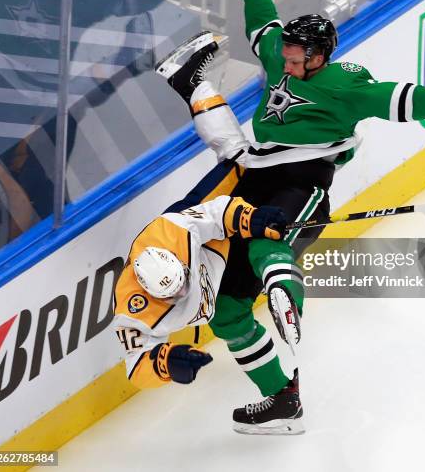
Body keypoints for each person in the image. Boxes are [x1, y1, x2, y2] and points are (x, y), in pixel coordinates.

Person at [157, 0, 425, 431]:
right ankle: (282, 400)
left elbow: (399, 100)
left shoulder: (344, 85)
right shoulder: (281, 55)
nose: (284, 63)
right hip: (253, 181)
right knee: (226, 312)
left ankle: (287, 295)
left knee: (271, 248)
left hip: (303, 182)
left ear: (320, 55)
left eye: (295, 57)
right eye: (285, 54)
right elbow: (262, 27)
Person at [114, 55, 304, 435]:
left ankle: (190, 82)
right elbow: (137, 367)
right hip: (215, 260)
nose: (183, 291)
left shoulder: (173, 233)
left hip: (208, 227)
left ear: (179, 263)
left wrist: (253, 219)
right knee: (228, 318)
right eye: (174, 294)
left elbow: (218, 214)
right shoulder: (134, 308)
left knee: (244, 162)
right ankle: (282, 396)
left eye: (183, 281)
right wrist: (167, 363)